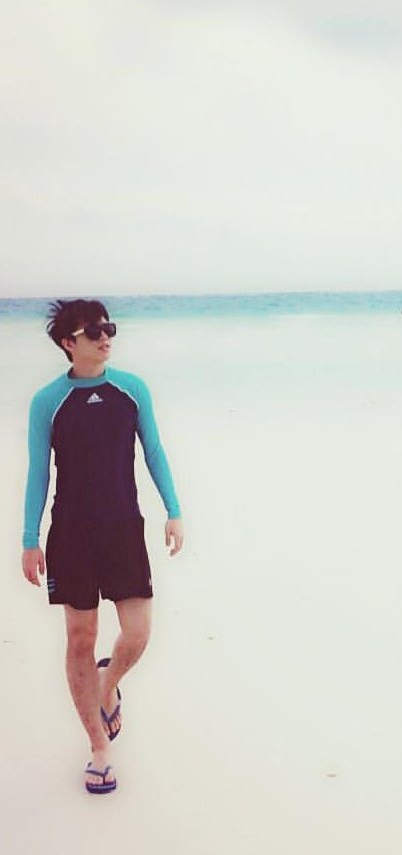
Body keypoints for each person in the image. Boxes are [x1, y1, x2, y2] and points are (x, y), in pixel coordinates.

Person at [20, 299, 184, 795]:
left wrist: (174, 510)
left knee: (137, 634)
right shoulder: (48, 402)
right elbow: (38, 472)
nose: (106, 337)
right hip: (71, 534)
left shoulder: (131, 390)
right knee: (80, 639)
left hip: (123, 530)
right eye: (93, 331)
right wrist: (29, 539)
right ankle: (98, 749)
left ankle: (107, 685)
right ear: (68, 343)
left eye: (109, 327)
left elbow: (153, 451)